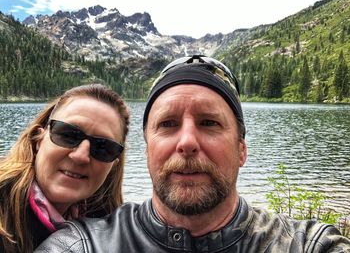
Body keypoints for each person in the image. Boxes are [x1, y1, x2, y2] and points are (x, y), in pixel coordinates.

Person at [35, 56, 350, 252]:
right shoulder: (83, 246)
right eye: (168, 124)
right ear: (148, 151)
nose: (186, 141)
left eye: (209, 123)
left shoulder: (305, 245)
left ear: (242, 149)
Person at [0, 84, 130, 252]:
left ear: (113, 164)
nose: (81, 156)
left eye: (103, 147)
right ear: (38, 139)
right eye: (68, 135)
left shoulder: (110, 228)